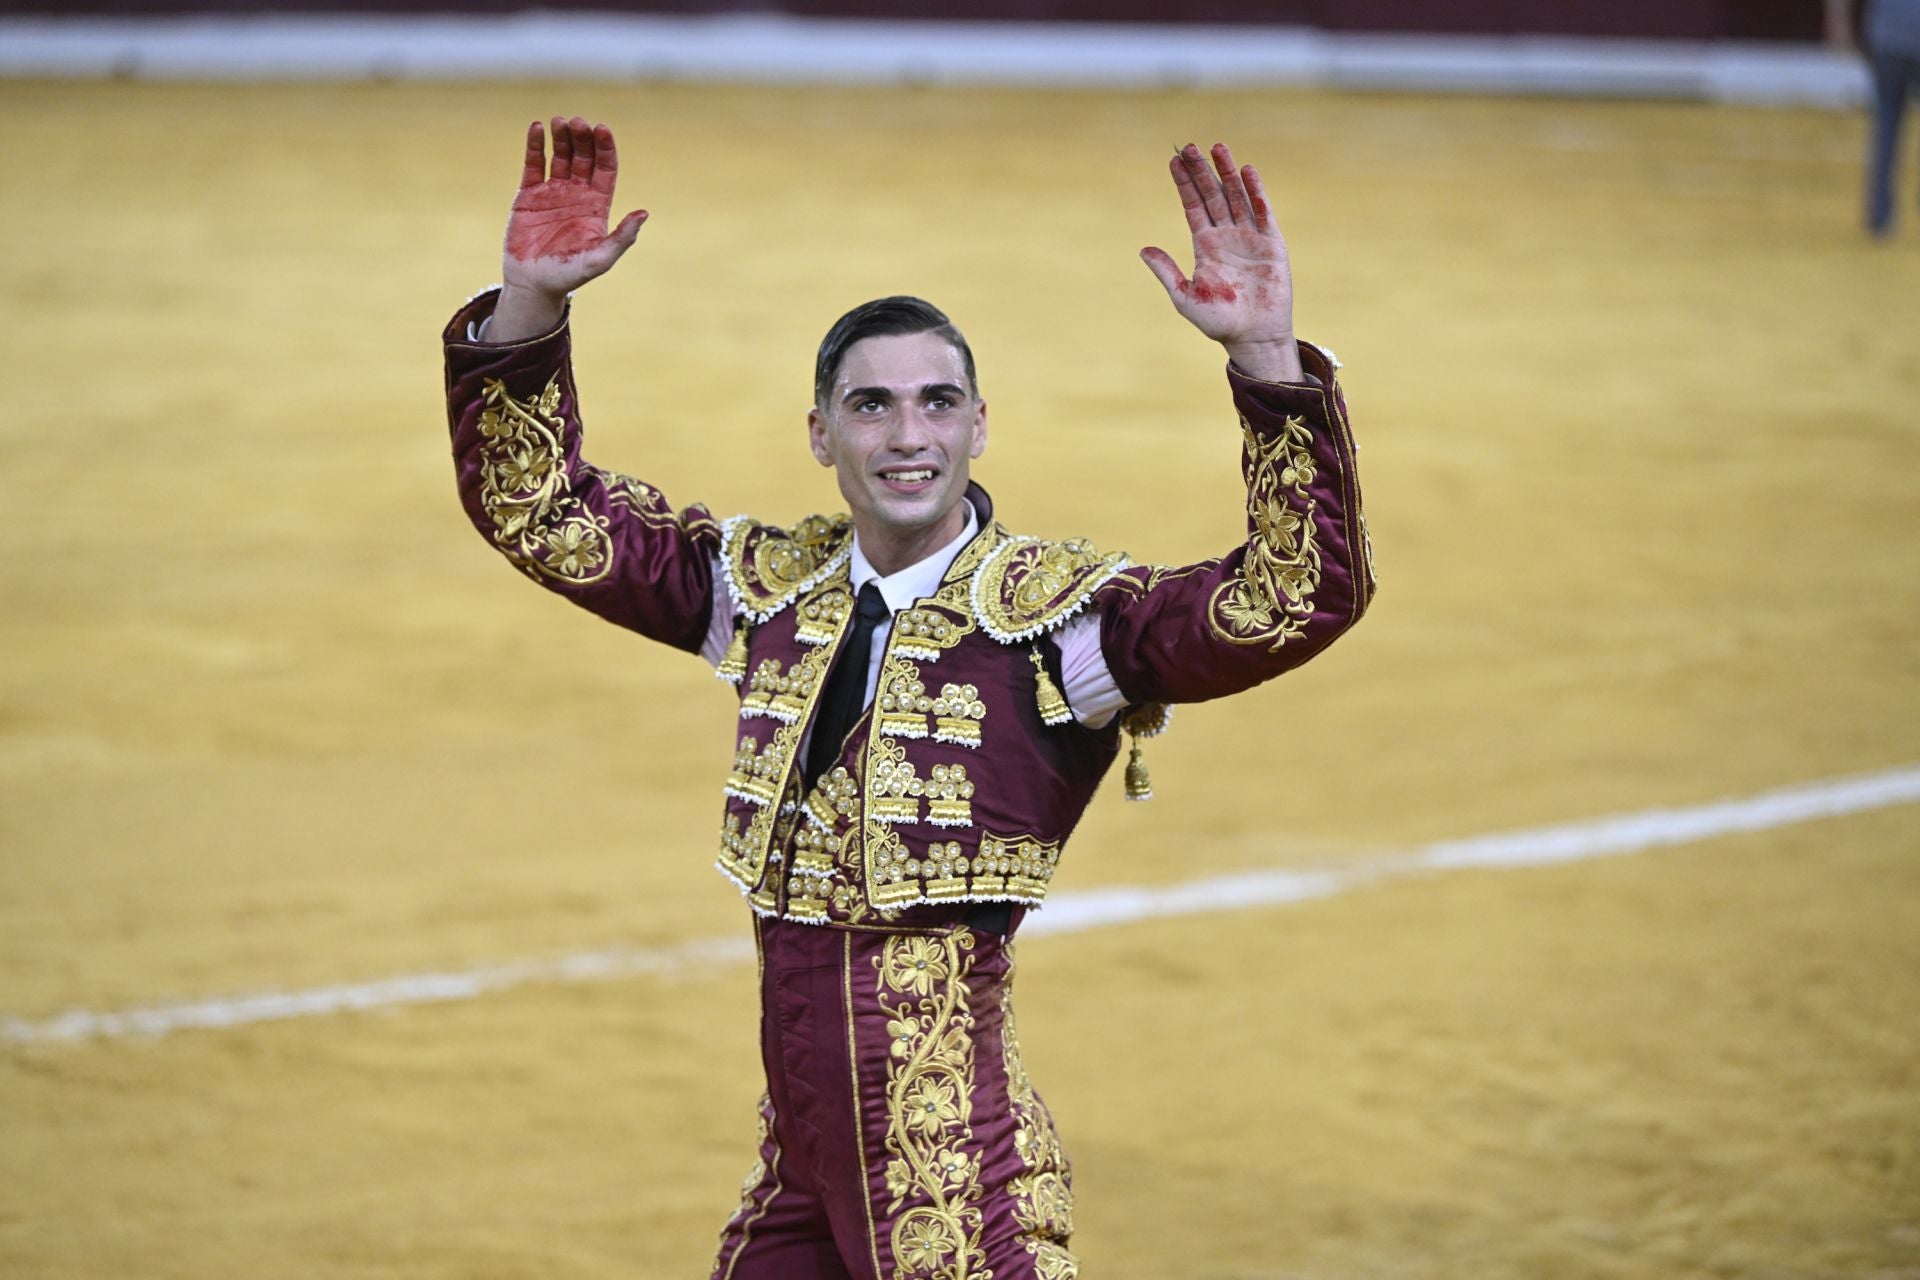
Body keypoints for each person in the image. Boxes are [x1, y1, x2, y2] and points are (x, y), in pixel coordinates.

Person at [441, 115, 1374, 1280]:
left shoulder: (1060, 625)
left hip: (954, 1179)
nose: (908, 434)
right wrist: (530, 306)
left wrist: (1268, 361)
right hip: (802, 1168)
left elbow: (1293, 595)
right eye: (871, 405)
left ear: (980, 426)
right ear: (821, 432)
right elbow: (544, 513)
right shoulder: (765, 592)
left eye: (938, 402)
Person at [1831, 0, 1920, 235]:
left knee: (1885, 123)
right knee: (1886, 120)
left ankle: (1880, 214)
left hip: (1887, 37)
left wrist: (1839, 21)